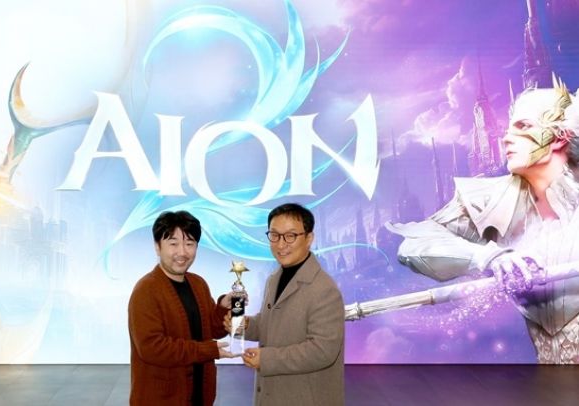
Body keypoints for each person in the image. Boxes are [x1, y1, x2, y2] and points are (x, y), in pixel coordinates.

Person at [388, 78, 579, 363]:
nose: (506, 137)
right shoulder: (490, 199)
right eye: (510, 127)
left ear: (560, 137)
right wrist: (488, 257)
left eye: (523, 126)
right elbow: (413, 246)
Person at [232, 203, 345, 405]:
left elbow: (322, 351)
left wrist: (266, 359)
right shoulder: (274, 279)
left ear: (309, 238)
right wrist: (245, 325)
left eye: (290, 236)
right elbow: (272, 323)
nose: (281, 244)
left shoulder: (324, 289)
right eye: (274, 235)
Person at [128, 210, 233, 405]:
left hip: (200, 395)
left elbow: (213, 330)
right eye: (173, 243)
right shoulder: (146, 290)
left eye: (189, 243)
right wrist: (207, 350)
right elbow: (152, 348)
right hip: (161, 399)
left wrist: (223, 308)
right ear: (157, 247)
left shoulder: (198, 283)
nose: (182, 252)